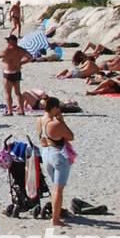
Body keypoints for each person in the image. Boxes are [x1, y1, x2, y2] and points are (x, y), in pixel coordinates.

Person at [36, 96, 74, 226]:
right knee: (59, 189)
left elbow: (41, 138)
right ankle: (55, 219)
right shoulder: (55, 124)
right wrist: (62, 121)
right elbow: (70, 136)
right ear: (54, 108)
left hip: (46, 154)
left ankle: (56, 212)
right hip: (57, 155)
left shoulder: (40, 120)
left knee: (55, 187)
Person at [0, 35, 34, 116]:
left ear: (13, 41)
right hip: (17, 72)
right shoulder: (20, 50)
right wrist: (21, 63)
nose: (7, 42)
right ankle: (21, 110)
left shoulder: (7, 50)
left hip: (8, 73)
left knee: (8, 93)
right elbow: (30, 57)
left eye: (8, 40)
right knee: (18, 92)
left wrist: (5, 50)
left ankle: (10, 111)